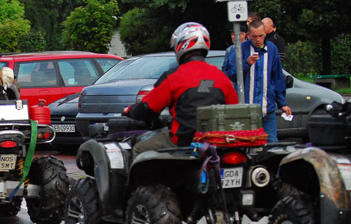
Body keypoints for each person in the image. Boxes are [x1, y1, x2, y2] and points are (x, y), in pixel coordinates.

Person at [124, 22, 238, 152]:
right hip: (216, 143)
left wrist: (130, 110)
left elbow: (149, 108)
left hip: (183, 141)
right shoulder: (221, 77)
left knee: (139, 149)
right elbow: (233, 109)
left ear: (180, 46)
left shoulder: (174, 76)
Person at [223, 19, 291, 142]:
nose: (258, 40)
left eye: (261, 36)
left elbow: (277, 77)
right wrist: (246, 64)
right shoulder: (241, 49)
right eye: (255, 37)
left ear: (265, 33)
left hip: (267, 109)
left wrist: (282, 102)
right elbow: (230, 74)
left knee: (272, 146)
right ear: (249, 35)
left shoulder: (272, 49)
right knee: (245, 145)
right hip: (245, 111)